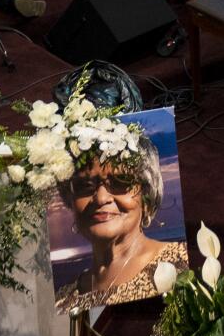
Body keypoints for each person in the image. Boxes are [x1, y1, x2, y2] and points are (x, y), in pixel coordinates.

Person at [53, 132, 188, 314]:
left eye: (119, 182)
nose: (101, 199)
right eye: (84, 186)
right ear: (70, 201)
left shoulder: (181, 263)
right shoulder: (64, 300)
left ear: (147, 198)